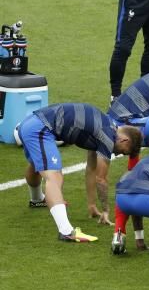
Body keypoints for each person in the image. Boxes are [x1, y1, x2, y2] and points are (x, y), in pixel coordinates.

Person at [17, 103, 141, 242]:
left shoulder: (106, 127)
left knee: (38, 165)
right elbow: (101, 179)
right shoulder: (108, 136)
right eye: (123, 151)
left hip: (30, 122)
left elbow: (91, 168)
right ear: (125, 140)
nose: (117, 153)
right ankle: (66, 231)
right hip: (40, 128)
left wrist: (92, 204)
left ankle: (37, 199)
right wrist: (106, 210)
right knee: (54, 176)